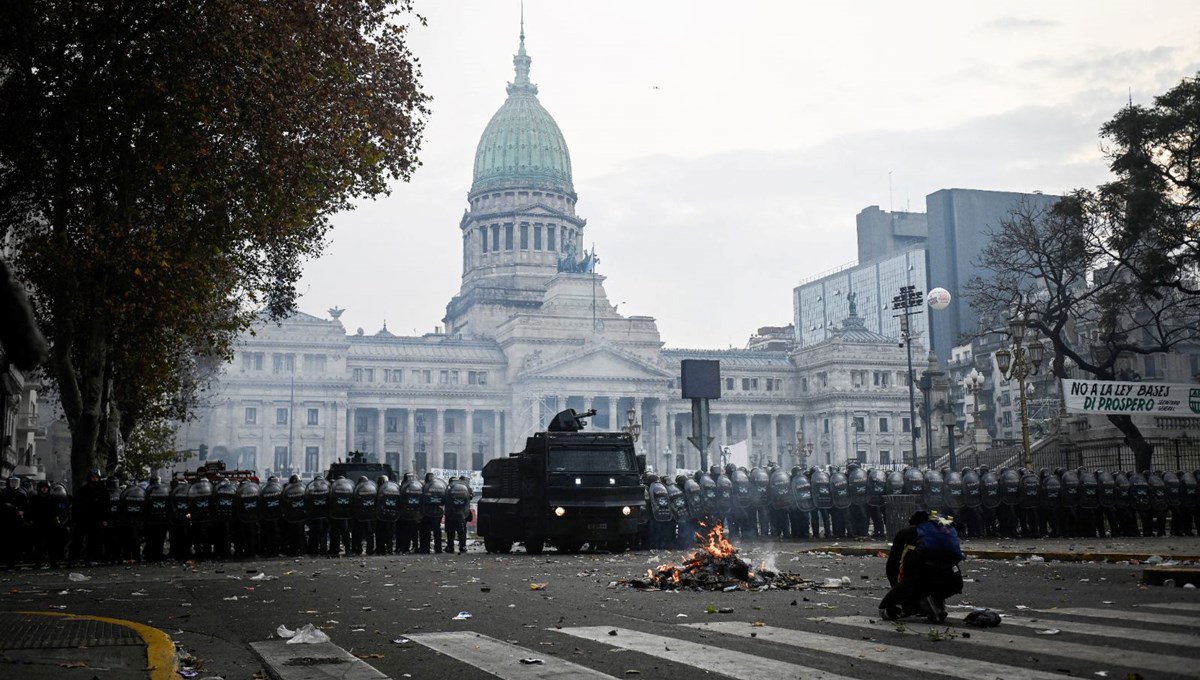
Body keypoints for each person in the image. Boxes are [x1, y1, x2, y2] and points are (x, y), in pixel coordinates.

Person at [879, 510, 964, 623]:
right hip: (954, 582)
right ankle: (933, 600)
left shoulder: (907, 532)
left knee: (885, 609)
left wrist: (897, 590)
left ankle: (925, 602)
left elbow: (892, 565)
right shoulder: (945, 531)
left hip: (919, 579)